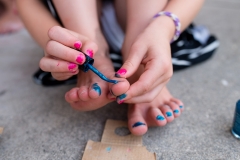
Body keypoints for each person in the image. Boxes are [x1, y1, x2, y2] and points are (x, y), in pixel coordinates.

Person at [16, 0, 219, 135]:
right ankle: (95, 52)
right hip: (76, 19)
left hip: (148, 16)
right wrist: (64, 45)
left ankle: (139, 47)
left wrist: (162, 28)